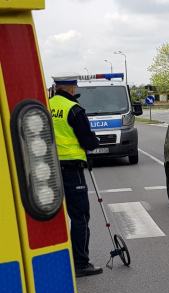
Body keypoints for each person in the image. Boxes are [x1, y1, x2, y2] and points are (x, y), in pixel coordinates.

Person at [49, 75, 102, 277]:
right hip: (72, 170)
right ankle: (80, 263)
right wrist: (94, 142)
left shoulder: (46, 105)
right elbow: (88, 141)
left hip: (49, 170)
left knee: (52, 216)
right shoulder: (74, 109)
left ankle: (52, 259)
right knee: (79, 216)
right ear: (72, 88)